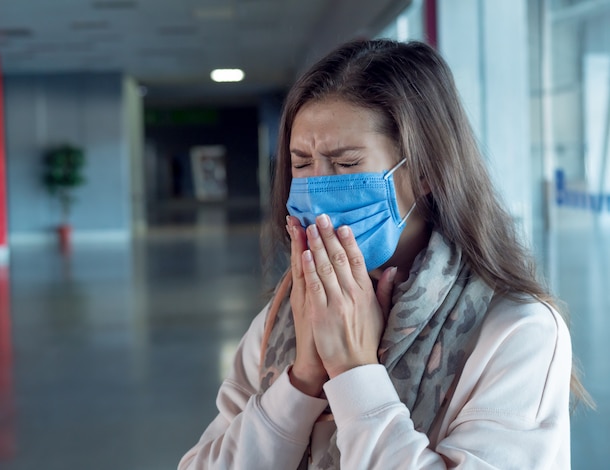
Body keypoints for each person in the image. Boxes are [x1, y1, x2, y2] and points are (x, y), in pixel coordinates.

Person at [178, 39, 587, 469]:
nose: (316, 194)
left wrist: (354, 374)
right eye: (301, 163)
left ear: (427, 171)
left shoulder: (515, 331)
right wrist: (301, 382)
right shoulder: (287, 315)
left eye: (346, 163)